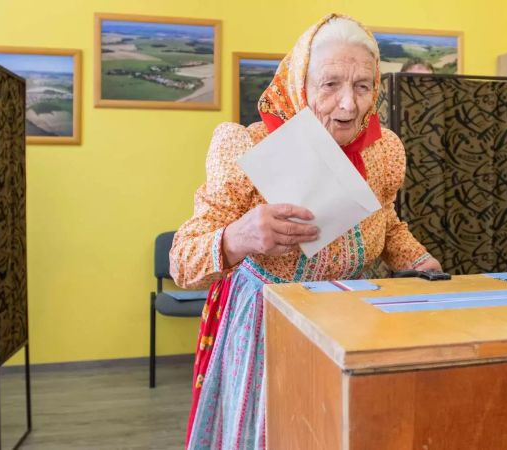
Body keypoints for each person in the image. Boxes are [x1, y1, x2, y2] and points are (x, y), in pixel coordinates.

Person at [170, 14, 441, 450]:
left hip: (358, 323)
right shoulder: (246, 147)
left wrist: (416, 259)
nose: (348, 105)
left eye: (363, 86)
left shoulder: (384, 149)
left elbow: (386, 222)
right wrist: (238, 237)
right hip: (270, 329)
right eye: (330, 84)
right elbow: (183, 262)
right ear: (300, 81)